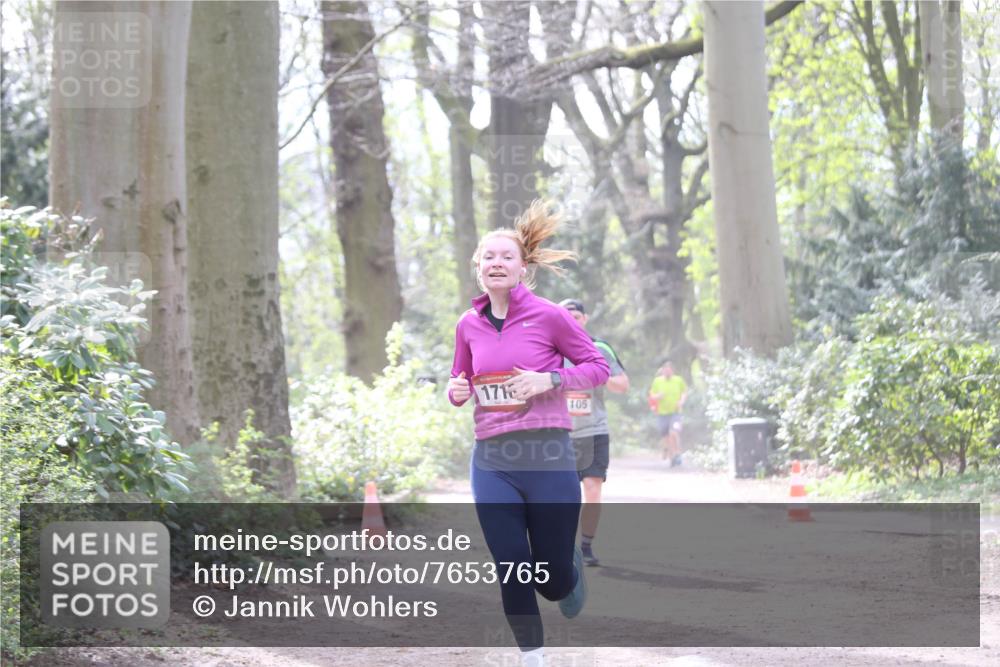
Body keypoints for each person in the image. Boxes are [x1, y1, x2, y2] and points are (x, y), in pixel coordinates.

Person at [447, 201, 610, 667]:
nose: (496, 263)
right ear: (477, 267)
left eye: (506, 257)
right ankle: (532, 658)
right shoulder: (467, 324)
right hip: (493, 460)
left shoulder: (549, 317)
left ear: (522, 267)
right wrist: (455, 391)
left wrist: (552, 379)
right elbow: (459, 382)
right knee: (512, 563)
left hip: (548, 458)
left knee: (552, 578)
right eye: (488, 257)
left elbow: (596, 367)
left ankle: (568, 574)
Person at [558, 298, 628, 567]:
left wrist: (597, 374)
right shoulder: (548, 349)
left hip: (593, 431)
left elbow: (622, 384)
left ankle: (586, 546)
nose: (571, 319)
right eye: (565, 315)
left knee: (592, 488)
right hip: (559, 433)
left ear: (584, 319)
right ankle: (562, 545)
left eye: (576, 315)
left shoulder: (598, 348)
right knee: (562, 496)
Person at [648, 361, 687, 466]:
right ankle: (672, 457)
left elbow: (684, 392)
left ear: (672, 371)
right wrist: (657, 396)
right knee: (666, 437)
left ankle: (678, 453)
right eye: (665, 370)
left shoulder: (678, 380)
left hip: (676, 413)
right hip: (662, 413)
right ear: (662, 371)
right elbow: (652, 395)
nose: (667, 372)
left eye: (669, 370)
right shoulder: (657, 381)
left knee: (674, 433)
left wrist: (681, 401)